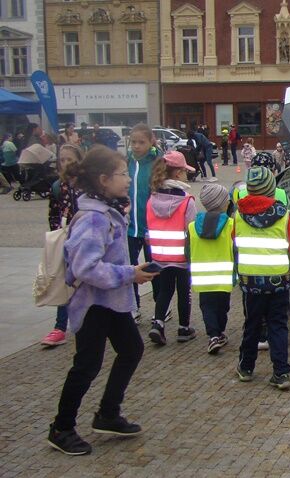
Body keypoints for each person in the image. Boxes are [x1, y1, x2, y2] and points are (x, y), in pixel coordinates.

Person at [48, 146, 157, 456]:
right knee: (87, 365)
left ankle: (108, 414)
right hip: (93, 304)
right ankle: (61, 428)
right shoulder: (94, 219)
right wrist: (130, 274)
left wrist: (133, 272)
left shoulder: (109, 210)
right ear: (103, 180)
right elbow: (85, 268)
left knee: (131, 349)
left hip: (112, 301)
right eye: (122, 174)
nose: (128, 179)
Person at [234, 167, 290, 389]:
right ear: (271, 189)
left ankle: (246, 368)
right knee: (278, 325)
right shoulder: (283, 215)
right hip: (278, 281)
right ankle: (281, 372)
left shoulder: (238, 216)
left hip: (251, 282)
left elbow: (234, 245)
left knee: (252, 324)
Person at [146, 151, 197, 345]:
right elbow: (191, 229)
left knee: (165, 290)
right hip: (181, 256)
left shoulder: (152, 199)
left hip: (160, 255)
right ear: (177, 174)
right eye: (184, 171)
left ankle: (158, 324)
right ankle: (184, 327)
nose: (186, 175)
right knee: (184, 291)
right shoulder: (186, 201)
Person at [40, 144, 84, 347]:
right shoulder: (58, 186)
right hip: (67, 240)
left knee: (86, 281)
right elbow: (53, 213)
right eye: (62, 160)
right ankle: (60, 327)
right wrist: (58, 234)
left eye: (70, 159)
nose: (66, 163)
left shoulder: (88, 183)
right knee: (65, 281)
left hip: (86, 240)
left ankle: (91, 319)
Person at [188, 183, 235, 354]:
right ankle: (219, 332)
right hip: (223, 277)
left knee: (207, 307)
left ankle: (213, 335)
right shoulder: (230, 225)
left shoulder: (192, 227)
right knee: (222, 307)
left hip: (203, 278)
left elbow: (187, 251)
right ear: (223, 203)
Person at [126, 123, 164, 323]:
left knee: (154, 268)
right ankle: (133, 307)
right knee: (130, 268)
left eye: (141, 142)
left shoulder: (157, 163)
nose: (136, 146)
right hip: (129, 228)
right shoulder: (127, 162)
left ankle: (161, 308)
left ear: (151, 142)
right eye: (133, 142)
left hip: (151, 227)